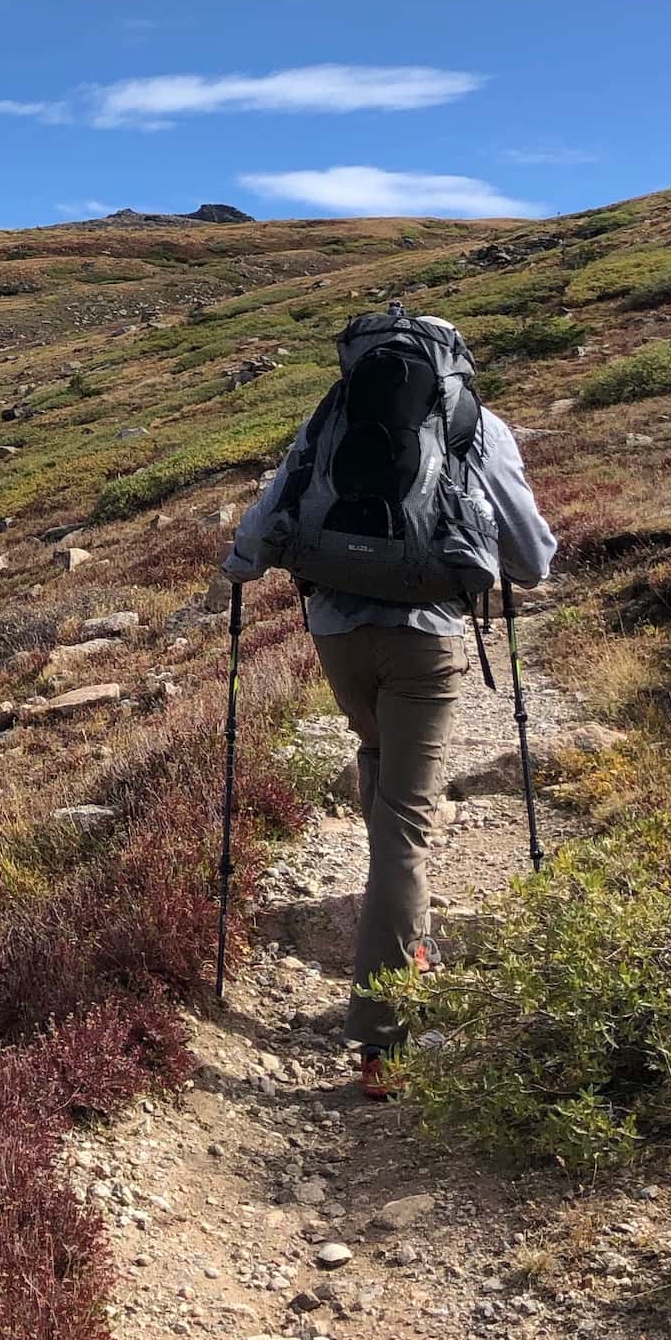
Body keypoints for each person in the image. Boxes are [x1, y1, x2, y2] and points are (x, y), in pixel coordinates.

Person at [223, 315, 556, 1098]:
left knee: (380, 769)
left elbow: (265, 520)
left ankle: (410, 947)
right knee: (405, 826)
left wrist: (239, 570)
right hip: (423, 641)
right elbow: (533, 559)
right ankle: (385, 1035)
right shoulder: (476, 424)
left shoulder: (332, 413)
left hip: (337, 633)